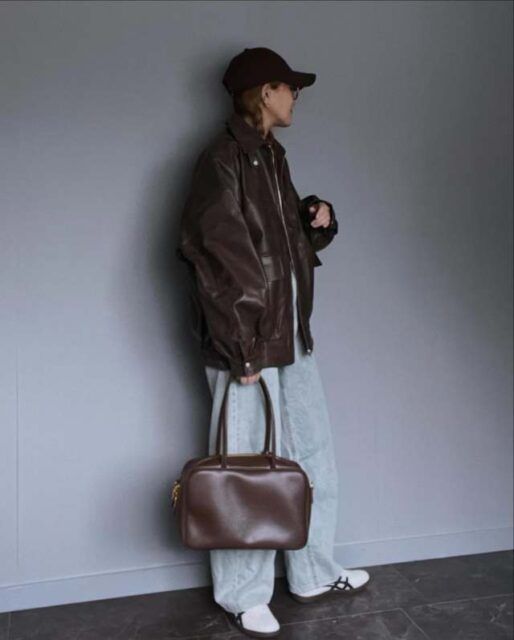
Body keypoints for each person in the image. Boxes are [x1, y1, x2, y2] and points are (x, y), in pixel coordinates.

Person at [177, 47, 371, 639]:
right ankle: (243, 596)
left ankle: (312, 573)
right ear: (266, 92)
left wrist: (314, 221)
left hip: (289, 335)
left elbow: (280, 254)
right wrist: (243, 345)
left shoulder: (271, 157)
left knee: (312, 457)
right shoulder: (221, 160)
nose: (296, 97)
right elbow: (214, 258)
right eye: (290, 88)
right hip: (248, 345)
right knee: (244, 469)